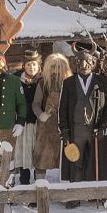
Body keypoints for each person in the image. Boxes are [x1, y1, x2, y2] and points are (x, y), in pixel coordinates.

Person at [58, 50, 107, 201]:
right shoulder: (68, 83)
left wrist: (104, 126)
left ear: (93, 62)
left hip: (95, 128)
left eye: (87, 61)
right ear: (75, 63)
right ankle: (75, 196)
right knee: (76, 161)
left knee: (96, 162)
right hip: (76, 129)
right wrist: (63, 129)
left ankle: (97, 195)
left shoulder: (101, 81)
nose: (83, 64)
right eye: (79, 61)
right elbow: (62, 109)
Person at [32, 52, 71, 182]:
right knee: (42, 157)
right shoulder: (43, 84)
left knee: (66, 157)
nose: (56, 70)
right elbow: (36, 104)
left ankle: (66, 190)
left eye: (59, 67)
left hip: (65, 126)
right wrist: (40, 114)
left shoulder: (70, 83)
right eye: (53, 67)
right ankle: (39, 187)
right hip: (46, 127)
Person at [13, 49, 43, 186]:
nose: (32, 67)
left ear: (39, 66)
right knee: (24, 153)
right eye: (29, 64)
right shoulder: (16, 80)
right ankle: (24, 183)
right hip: (23, 123)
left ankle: (39, 185)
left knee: (38, 154)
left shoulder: (43, 80)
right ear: (24, 65)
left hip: (39, 123)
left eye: (34, 65)